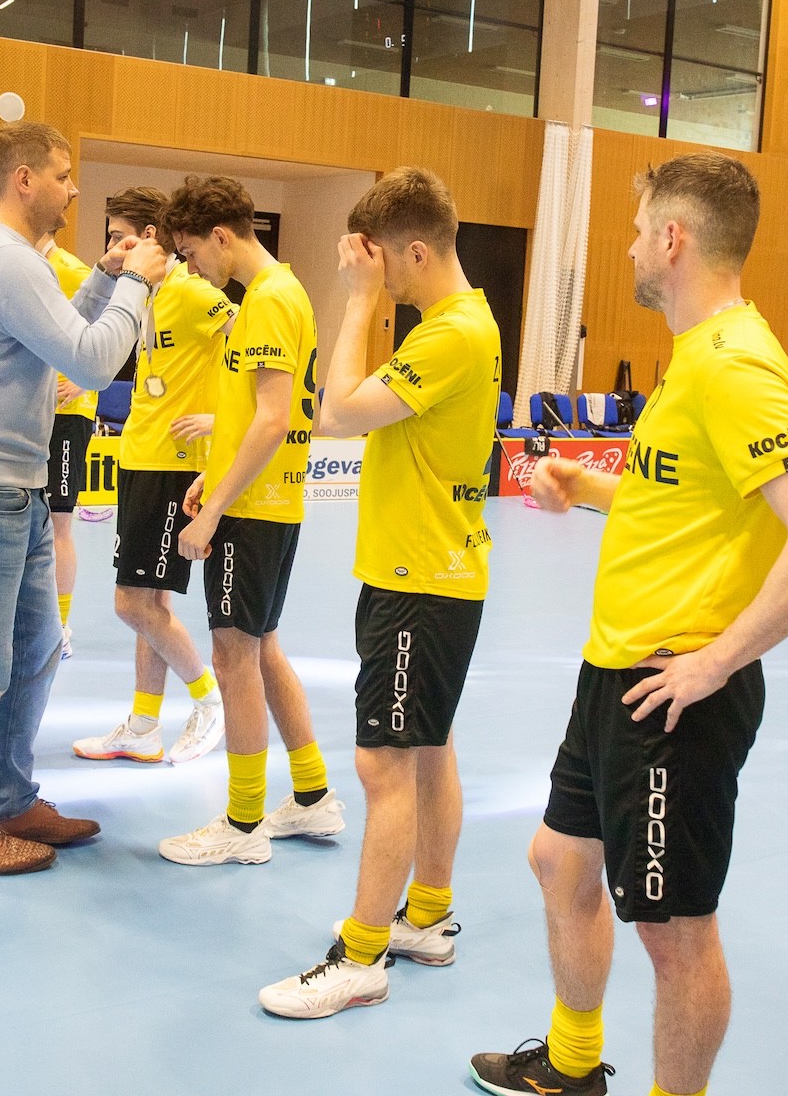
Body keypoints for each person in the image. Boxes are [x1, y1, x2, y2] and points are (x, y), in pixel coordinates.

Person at [468, 154, 788, 1096]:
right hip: (614, 671)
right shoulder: (701, 355)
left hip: (673, 693)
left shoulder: (736, 366)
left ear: (674, 239)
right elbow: (689, 497)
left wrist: (716, 662)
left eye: (640, 231)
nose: (632, 248)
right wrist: (588, 485)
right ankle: (572, 1065)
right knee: (560, 862)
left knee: (673, 933)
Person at [258, 168, 499, 1017]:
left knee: (384, 762)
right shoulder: (463, 323)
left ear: (415, 252)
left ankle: (359, 957)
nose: (378, 277)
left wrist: (357, 300)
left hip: (418, 579)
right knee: (429, 747)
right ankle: (425, 916)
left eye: (382, 263)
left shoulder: (450, 335)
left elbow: (339, 414)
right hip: (434, 570)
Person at [0, 121, 168, 876]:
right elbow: (89, 362)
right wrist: (136, 283)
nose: (73, 189)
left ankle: (9, 798)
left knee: (34, 651)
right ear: (24, 179)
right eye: (62, 174)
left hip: (4, 488)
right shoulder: (4, 259)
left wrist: (104, 278)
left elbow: (55, 331)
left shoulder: (8, 258)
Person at [156, 175, 343, 865]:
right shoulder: (280, 293)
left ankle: (242, 826)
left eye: (191, 252)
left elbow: (273, 419)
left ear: (222, 236)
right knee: (260, 648)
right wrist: (216, 472)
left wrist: (215, 512)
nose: (190, 267)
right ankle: (313, 794)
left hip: (254, 512)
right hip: (265, 500)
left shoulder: (267, 300)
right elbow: (259, 413)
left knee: (233, 657)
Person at [71, 186, 233, 765]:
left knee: (131, 605)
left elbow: (259, 349)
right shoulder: (145, 294)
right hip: (139, 456)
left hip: (172, 464)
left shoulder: (191, 291)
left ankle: (209, 699)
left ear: (150, 237)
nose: (113, 247)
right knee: (151, 605)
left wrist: (222, 418)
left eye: (120, 236)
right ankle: (143, 725)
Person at [36, 231, 99, 662]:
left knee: (59, 522)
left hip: (67, 415)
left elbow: (117, 331)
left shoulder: (74, 271)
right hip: (29, 410)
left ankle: (59, 626)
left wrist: (85, 380)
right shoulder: (21, 268)